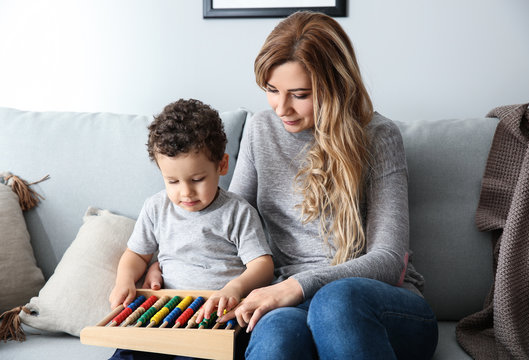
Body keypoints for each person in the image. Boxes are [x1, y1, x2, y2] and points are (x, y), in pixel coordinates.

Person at [214, 11, 439, 360]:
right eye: (272, 90)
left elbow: (389, 259)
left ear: (335, 85)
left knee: (336, 302)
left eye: (300, 94)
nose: (282, 108)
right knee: (276, 337)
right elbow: (229, 224)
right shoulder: (261, 131)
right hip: (292, 303)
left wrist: (297, 286)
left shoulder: (379, 137)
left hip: (377, 304)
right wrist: (158, 260)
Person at [108, 98, 273, 360]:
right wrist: (125, 280)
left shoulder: (238, 212)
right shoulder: (155, 208)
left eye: (197, 179)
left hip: (216, 319)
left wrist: (235, 287)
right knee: (128, 355)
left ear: (221, 165)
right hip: (166, 313)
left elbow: (262, 264)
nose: (185, 192)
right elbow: (137, 255)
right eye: (172, 181)